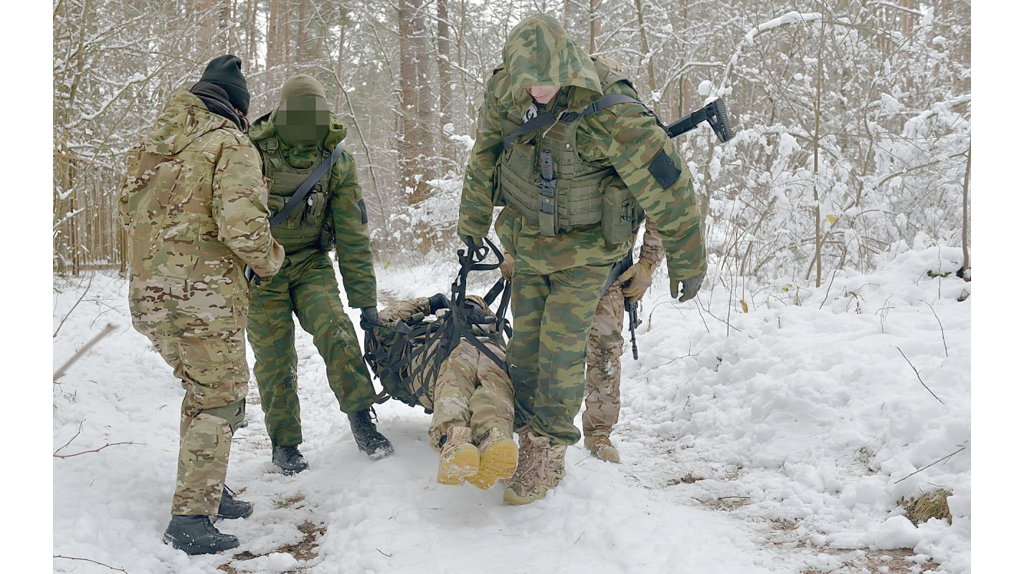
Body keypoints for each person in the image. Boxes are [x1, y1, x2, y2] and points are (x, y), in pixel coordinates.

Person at [458, 14, 707, 505]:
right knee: (526, 347)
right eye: (530, 80)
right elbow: (484, 157)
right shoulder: (505, 95)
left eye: (549, 79)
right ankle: (527, 432)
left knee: (562, 345)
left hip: (591, 251)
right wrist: (470, 227)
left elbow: (671, 190)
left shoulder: (610, 111)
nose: (540, 89)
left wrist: (686, 262)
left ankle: (549, 451)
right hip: (529, 244)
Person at [117, 54, 285, 555]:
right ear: (236, 106)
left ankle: (209, 488)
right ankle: (190, 519)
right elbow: (244, 227)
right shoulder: (230, 143)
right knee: (221, 397)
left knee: (199, 388)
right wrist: (272, 261)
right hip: (204, 300)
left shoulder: (149, 146)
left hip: (150, 296)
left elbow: (128, 212)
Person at [246, 74, 392, 474]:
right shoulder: (252, 152)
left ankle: (362, 421)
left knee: (337, 331)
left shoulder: (337, 159)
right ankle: (285, 445)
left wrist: (366, 303)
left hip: (311, 263)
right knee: (275, 360)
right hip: (261, 268)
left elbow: (352, 234)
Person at [499, 220, 663, 464]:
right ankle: (530, 434)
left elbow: (660, 199)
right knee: (536, 349)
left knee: (605, 351)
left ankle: (598, 433)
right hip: (542, 264)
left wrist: (647, 263)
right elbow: (519, 190)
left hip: (608, 269)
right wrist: (511, 249)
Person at [364, 293, 517, 489]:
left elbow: (487, 313)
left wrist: (471, 306)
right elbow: (383, 318)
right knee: (457, 363)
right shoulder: (392, 333)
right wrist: (427, 304)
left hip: (482, 346)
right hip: (431, 361)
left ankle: (493, 437)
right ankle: (453, 440)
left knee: (496, 368)